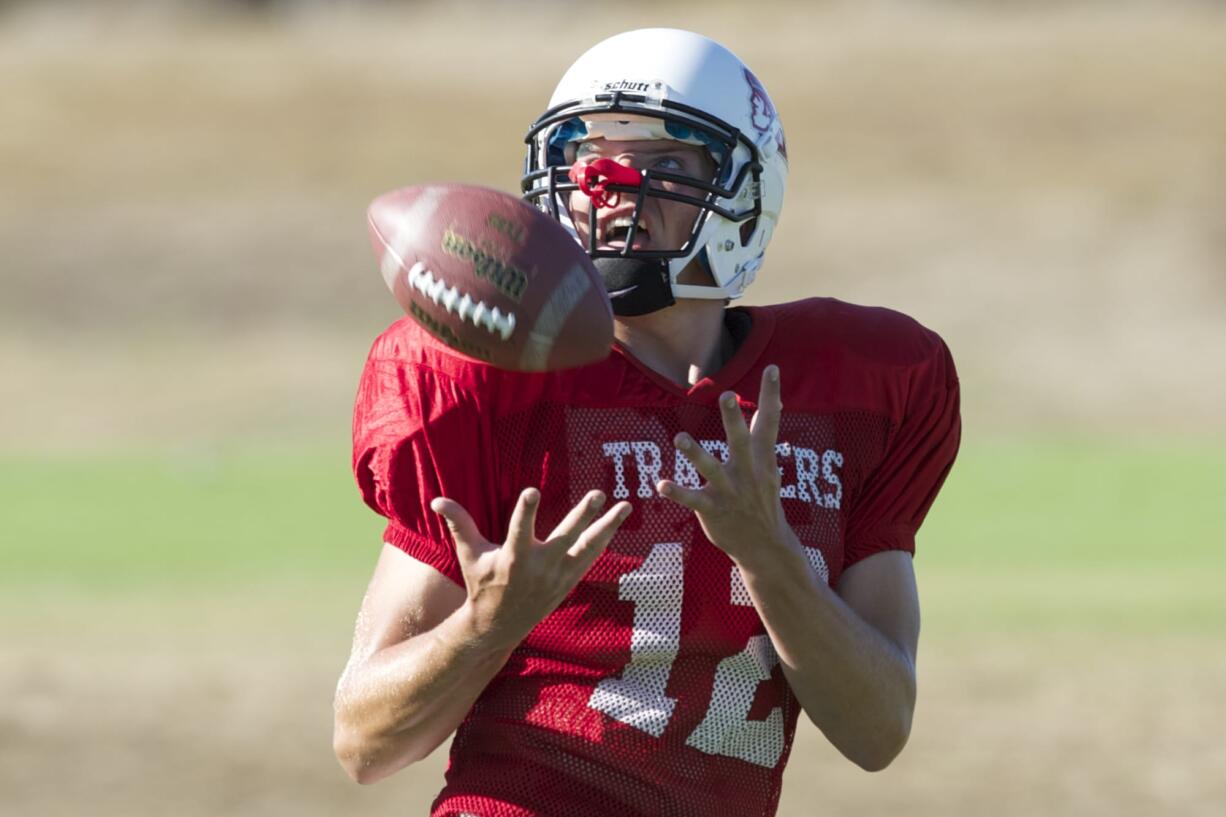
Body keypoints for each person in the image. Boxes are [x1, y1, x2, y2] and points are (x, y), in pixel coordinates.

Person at [334, 28, 960, 817]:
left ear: (744, 194)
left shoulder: (856, 389)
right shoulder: (486, 385)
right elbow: (364, 740)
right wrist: (484, 625)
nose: (611, 189)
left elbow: (878, 729)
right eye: (586, 161)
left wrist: (771, 556)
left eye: (663, 167)